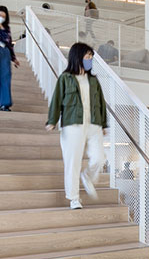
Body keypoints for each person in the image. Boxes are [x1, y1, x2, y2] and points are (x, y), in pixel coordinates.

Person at [45, 42, 109, 210]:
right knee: (72, 162)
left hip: (93, 123)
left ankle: (87, 176)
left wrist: (104, 123)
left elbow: (101, 102)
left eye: (91, 57)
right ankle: (74, 198)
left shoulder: (93, 80)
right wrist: (52, 120)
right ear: (77, 56)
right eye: (87, 56)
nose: (89, 60)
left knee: (99, 158)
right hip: (72, 124)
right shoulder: (65, 78)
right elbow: (57, 100)